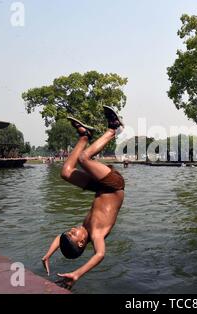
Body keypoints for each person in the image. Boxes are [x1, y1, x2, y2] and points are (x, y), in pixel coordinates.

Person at [41, 106, 125, 290]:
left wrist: (48, 255)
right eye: (73, 234)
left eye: (69, 231)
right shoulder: (96, 234)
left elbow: (59, 237)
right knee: (84, 158)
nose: (71, 229)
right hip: (113, 186)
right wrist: (77, 273)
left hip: (100, 187)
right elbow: (100, 255)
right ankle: (113, 129)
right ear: (81, 242)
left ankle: (85, 136)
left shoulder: (83, 229)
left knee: (65, 172)